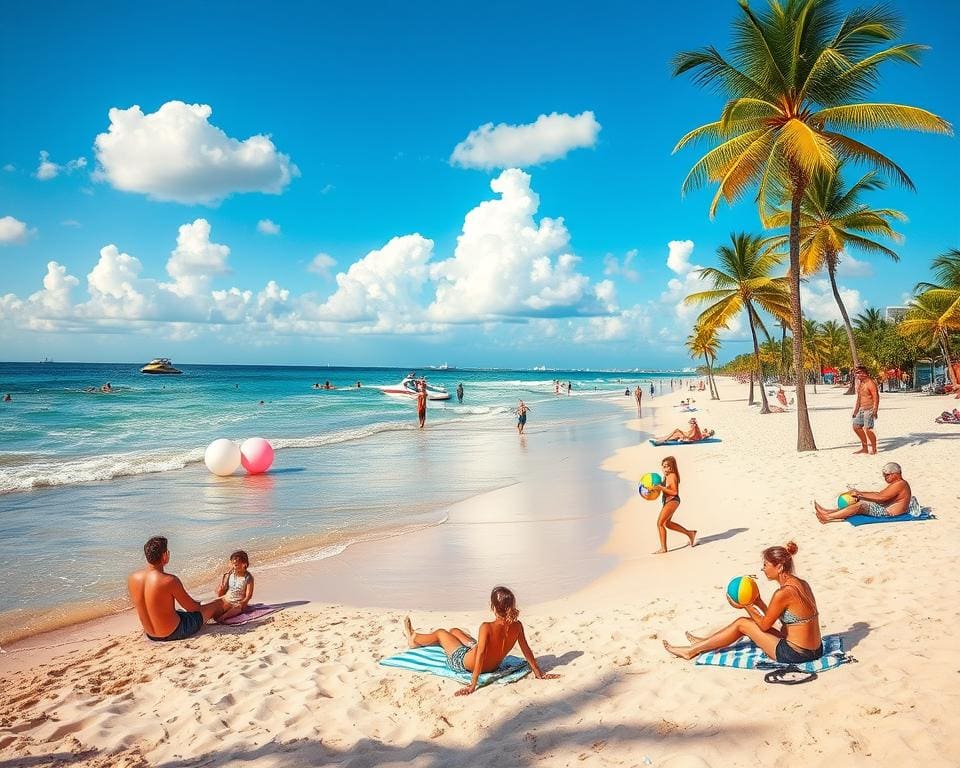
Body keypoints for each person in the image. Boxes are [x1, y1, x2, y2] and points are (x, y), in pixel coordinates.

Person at [663, 542, 823, 665]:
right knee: (750, 622)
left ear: (779, 567)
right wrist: (758, 602)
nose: (763, 569)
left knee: (742, 623)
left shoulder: (782, 593)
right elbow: (777, 619)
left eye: (766, 565)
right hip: (815, 650)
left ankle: (690, 651)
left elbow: (765, 626)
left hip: (796, 654)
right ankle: (705, 642)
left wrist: (746, 605)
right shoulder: (802, 584)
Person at [403, 586, 559, 696]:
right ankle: (452, 638)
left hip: (462, 661)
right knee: (455, 631)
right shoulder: (517, 626)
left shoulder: (486, 627)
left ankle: (414, 639)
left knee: (441, 633)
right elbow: (526, 650)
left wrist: (473, 684)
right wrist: (538, 672)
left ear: (493, 606)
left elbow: (482, 653)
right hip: (491, 664)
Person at [128, 536, 224, 641]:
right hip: (173, 632)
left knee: (179, 611)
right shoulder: (169, 580)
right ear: (164, 555)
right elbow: (192, 608)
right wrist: (204, 605)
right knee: (216, 604)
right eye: (167, 552)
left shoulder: (133, 578)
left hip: (151, 634)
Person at [814, 462, 917, 522]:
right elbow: (880, 495)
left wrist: (861, 495)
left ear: (895, 474)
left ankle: (828, 517)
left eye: (886, 475)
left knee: (860, 506)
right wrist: (861, 494)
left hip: (889, 513)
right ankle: (828, 512)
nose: (884, 477)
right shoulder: (897, 484)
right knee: (860, 501)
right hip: (886, 509)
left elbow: (881, 497)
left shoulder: (900, 484)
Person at [650, 456, 696, 553]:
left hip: (672, 500)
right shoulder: (666, 477)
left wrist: (661, 488)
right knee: (667, 524)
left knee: (660, 524)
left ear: (673, 467)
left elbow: (675, 492)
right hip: (668, 501)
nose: (667, 468)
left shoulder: (672, 476)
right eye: (664, 466)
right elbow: (661, 490)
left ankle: (663, 548)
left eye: (669, 466)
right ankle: (690, 533)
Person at [216, 550, 255, 622]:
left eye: (236, 565)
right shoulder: (231, 574)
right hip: (228, 600)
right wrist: (221, 588)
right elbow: (223, 591)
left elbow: (248, 596)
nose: (233, 567)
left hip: (238, 603)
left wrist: (243, 602)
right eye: (232, 564)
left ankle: (224, 617)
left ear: (244, 564)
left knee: (237, 608)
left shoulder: (248, 578)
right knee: (216, 601)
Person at [851, 365, 880, 454]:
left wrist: (875, 410)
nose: (857, 375)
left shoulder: (870, 383)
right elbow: (859, 398)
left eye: (859, 373)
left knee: (868, 429)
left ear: (864, 373)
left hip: (869, 409)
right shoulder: (861, 383)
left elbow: (876, 397)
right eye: (856, 373)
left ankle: (874, 449)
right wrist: (856, 410)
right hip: (861, 409)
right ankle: (864, 448)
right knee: (856, 426)